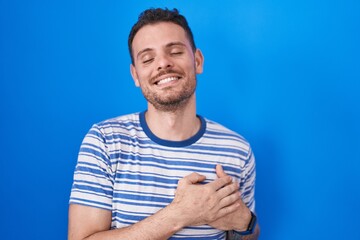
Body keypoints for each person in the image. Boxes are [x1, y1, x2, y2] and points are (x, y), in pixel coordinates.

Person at [68, 8, 260, 240]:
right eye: (148, 59)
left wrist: (244, 221)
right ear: (136, 76)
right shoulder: (105, 141)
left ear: (197, 61)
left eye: (176, 51)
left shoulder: (237, 150)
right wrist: (180, 214)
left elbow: (247, 235)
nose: (163, 64)